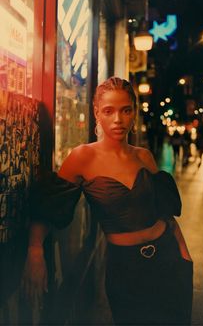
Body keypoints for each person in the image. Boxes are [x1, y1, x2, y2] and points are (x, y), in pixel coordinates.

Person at [23, 77, 193, 325]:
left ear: (134, 113)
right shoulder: (82, 157)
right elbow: (50, 208)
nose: (118, 119)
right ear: (96, 113)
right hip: (125, 269)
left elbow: (166, 214)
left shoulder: (144, 157)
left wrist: (185, 258)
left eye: (126, 110)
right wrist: (34, 251)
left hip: (169, 262)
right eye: (108, 111)